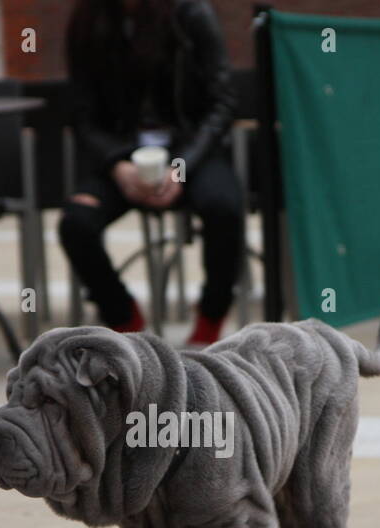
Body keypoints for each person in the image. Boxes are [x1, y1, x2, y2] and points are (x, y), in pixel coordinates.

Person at [60, 0, 242, 345]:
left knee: (224, 207)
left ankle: (210, 319)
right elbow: (83, 116)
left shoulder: (191, 12)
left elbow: (223, 101)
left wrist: (181, 166)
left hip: (190, 154)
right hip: (120, 156)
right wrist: (118, 165)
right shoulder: (89, 21)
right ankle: (124, 320)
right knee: (76, 221)